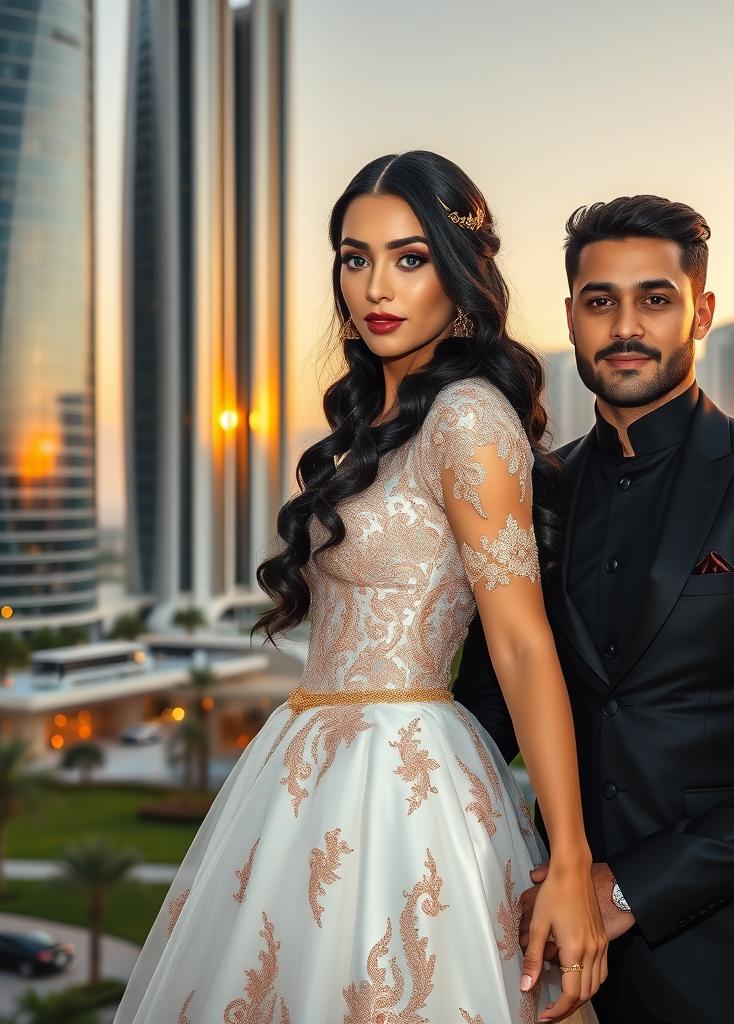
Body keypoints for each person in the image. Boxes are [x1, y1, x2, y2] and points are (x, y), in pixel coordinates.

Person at [113, 151, 605, 1024]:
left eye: (410, 258)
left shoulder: (468, 418)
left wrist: (567, 859)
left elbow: (523, 644)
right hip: (303, 762)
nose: (376, 284)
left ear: (459, 278)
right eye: (355, 256)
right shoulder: (361, 431)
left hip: (403, 779)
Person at [453, 194, 734, 1024]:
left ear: (700, 311)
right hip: (537, 959)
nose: (625, 326)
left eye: (654, 299)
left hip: (727, 972)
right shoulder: (526, 494)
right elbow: (487, 714)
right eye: (601, 302)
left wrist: (629, 887)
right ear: (571, 317)